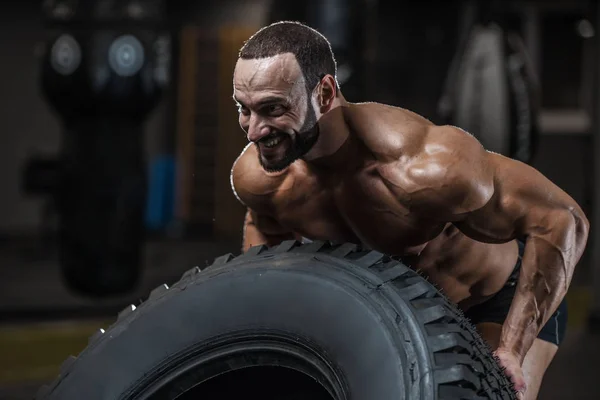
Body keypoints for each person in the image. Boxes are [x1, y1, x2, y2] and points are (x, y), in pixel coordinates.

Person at [229, 21, 589, 400]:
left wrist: (513, 350)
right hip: (393, 316)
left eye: (272, 109)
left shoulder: (423, 168)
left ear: (324, 92)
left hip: (492, 303)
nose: (253, 131)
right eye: (244, 109)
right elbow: (264, 226)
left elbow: (561, 219)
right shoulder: (263, 180)